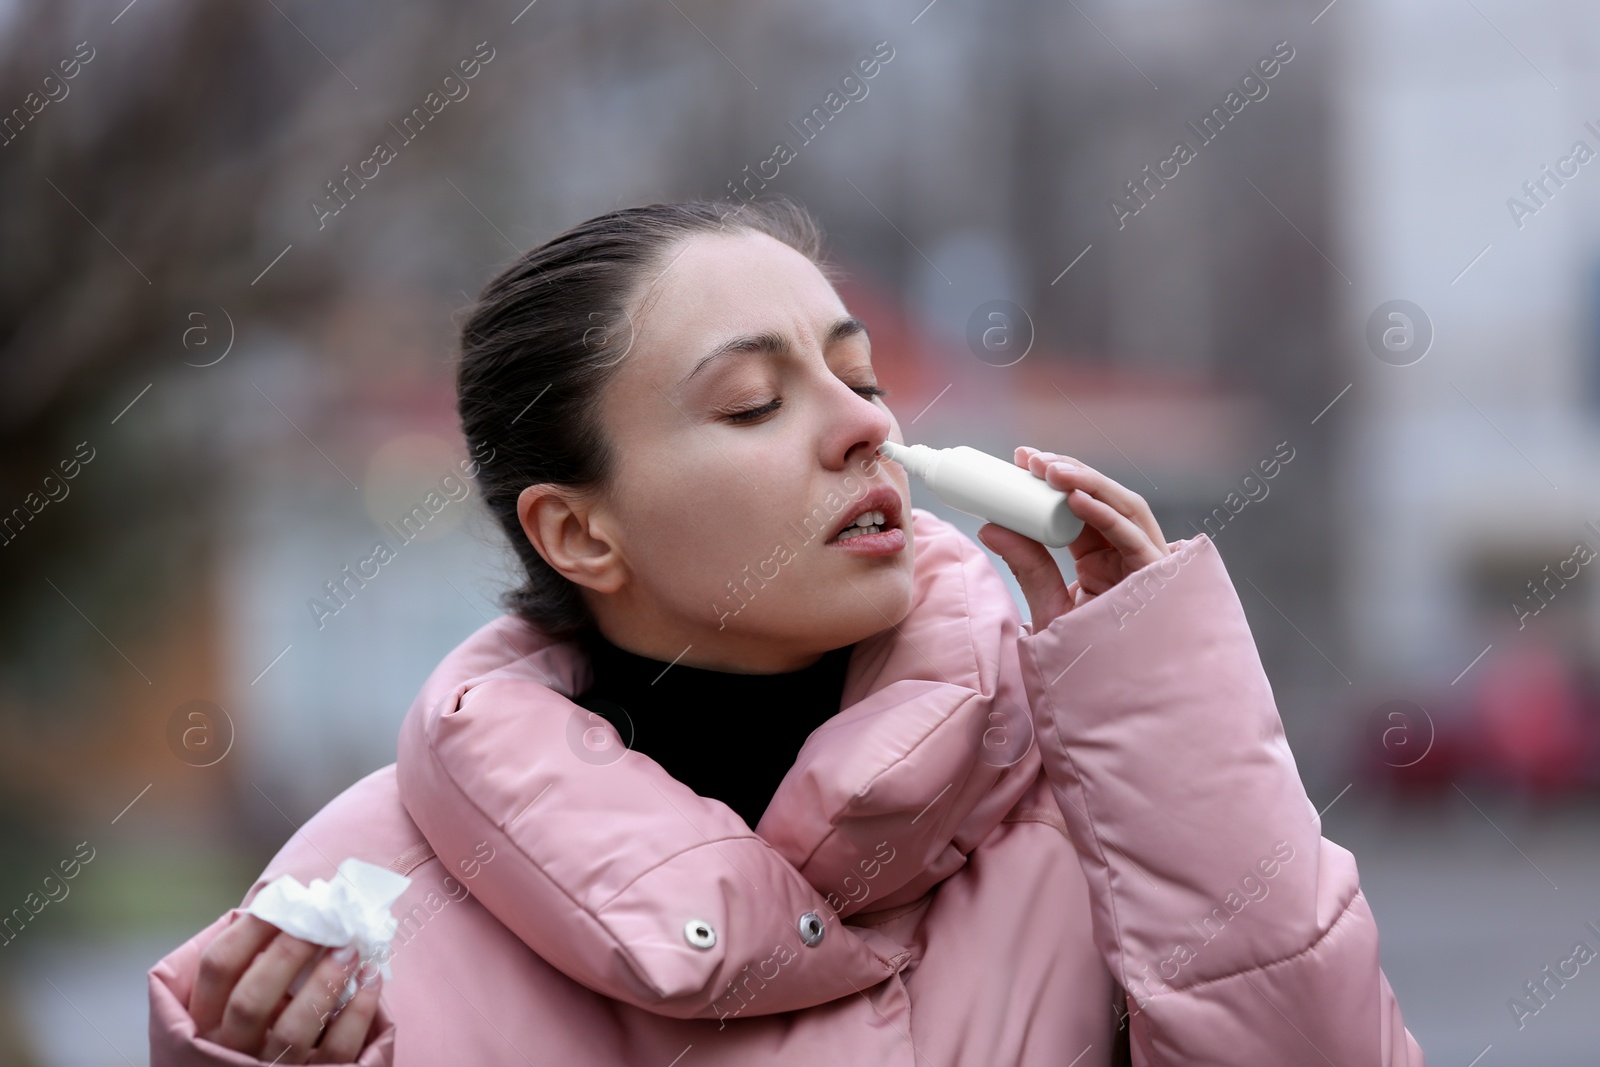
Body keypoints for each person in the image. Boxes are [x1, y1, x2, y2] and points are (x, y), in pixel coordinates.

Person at [148, 197, 1426, 1065]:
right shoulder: (362, 901)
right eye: (754, 403)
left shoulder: (1090, 790)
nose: (866, 424)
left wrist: (1168, 712)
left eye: (860, 377)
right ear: (580, 533)